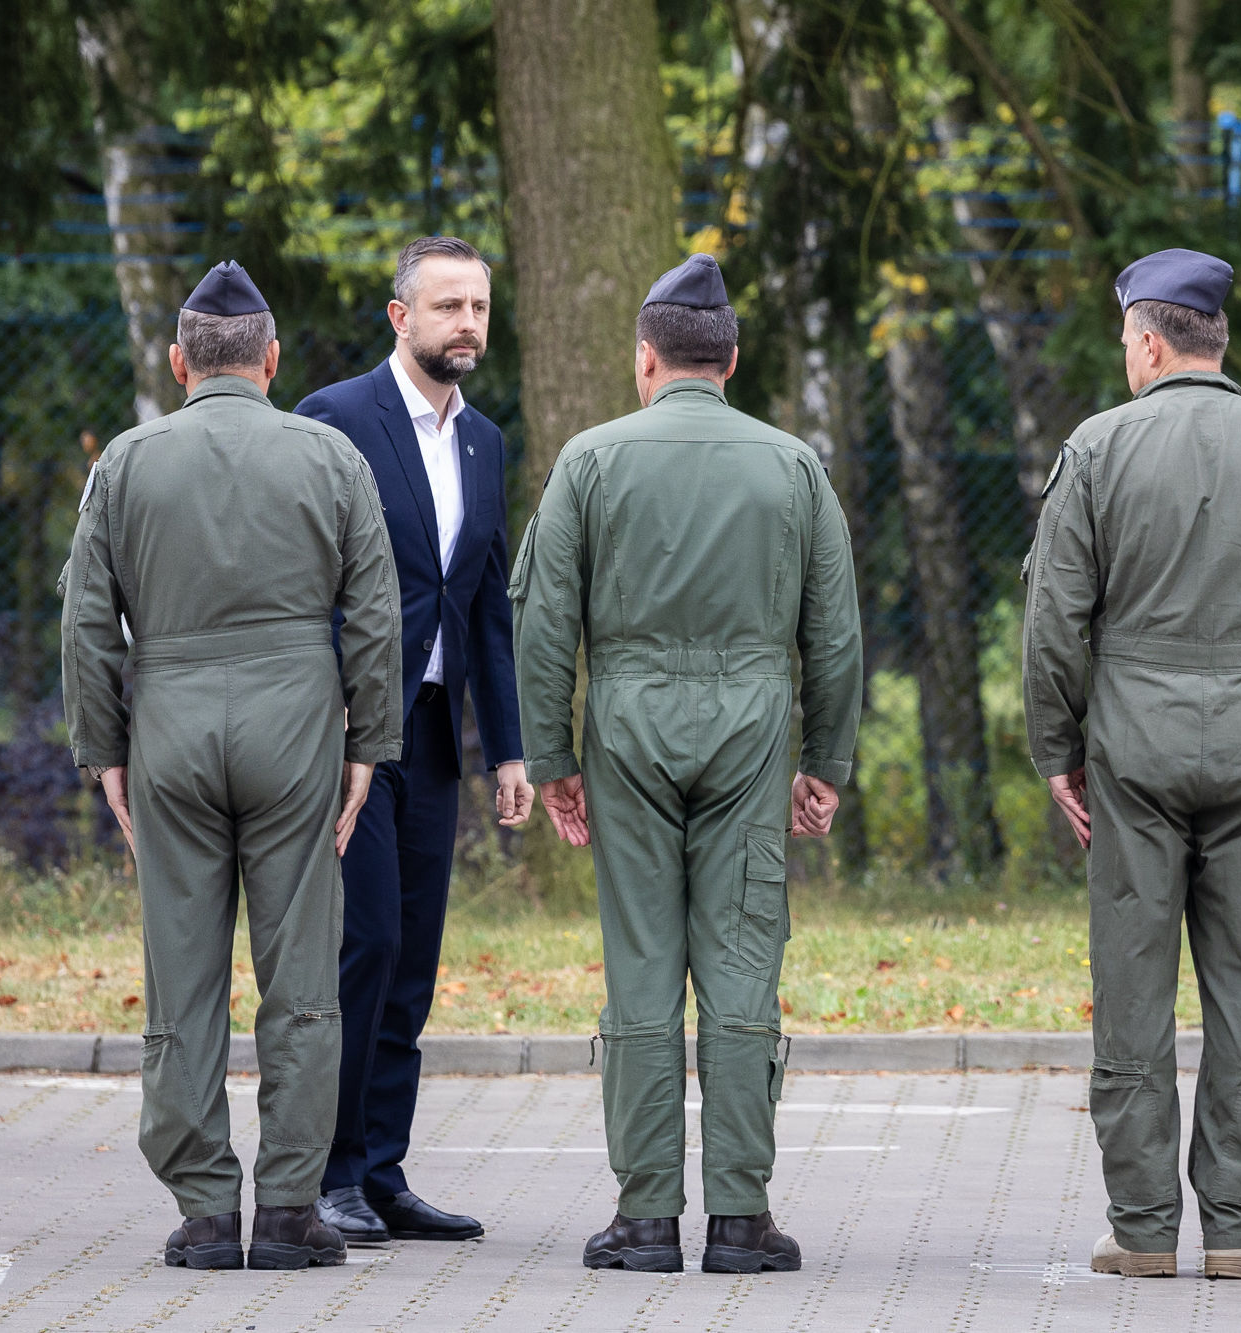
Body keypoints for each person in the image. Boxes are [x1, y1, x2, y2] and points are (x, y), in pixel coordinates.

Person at [513, 253, 862, 1275]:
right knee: (743, 959)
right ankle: (743, 1219)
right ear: (731, 360)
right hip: (751, 728)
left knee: (641, 967)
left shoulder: (588, 460)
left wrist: (550, 758)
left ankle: (646, 1217)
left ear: (644, 360)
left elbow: (542, 625)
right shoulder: (791, 465)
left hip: (623, 723)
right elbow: (832, 634)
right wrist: (826, 758)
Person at [1021, 248, 1241, 1281]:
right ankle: (1239, 1227)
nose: (1124, 356)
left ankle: (1137, 1229)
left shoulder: (1095, 448)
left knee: (1131, 986)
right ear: (1220, 342)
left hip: (1131, 745)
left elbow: (1052, 622)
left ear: (1150, 340)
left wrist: (1057, 751)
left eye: (1126, 339)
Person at [60, 260, 402, 1271]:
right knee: (301, 979)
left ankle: (205, 1207)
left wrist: (104, 751)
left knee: (183, 974)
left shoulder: (123, 463)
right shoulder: (331, 457)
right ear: (272, 359)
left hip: (166, 723)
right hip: (296, 722)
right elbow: (376, 616)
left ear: (178, 362)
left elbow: (86, 622)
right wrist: (366, 747)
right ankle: (291, 1207)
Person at [293, 236, 533, 1247]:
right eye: (446, 307)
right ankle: (327, 1172)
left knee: (415, 958)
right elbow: (301, 577)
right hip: (349, 734)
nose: (466, 324)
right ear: (400, 317)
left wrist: (510, 750)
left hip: (433, 732)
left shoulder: (484, 442)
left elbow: (482, 605)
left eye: (477, 306)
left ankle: (382, 1170)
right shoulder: (333, 419)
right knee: (365, 942)